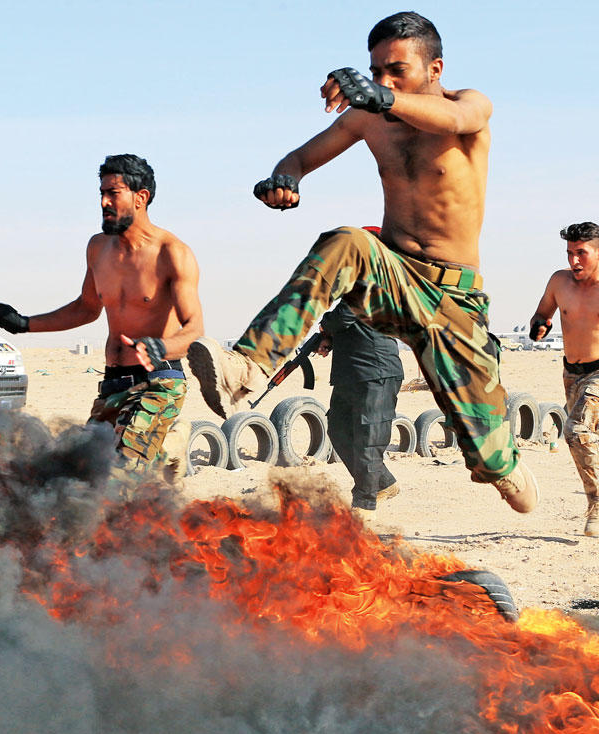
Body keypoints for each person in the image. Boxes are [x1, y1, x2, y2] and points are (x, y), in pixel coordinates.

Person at [185, 11, 537, 513]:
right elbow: (300, 157)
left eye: (398, 70)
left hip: (454, 298)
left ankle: (500, 461)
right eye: (376, 72)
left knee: (491, 460)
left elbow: (461, 120)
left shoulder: (468, 106)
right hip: (393, 278)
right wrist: (286, 180)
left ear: (435, 69)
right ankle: (247, 367)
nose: (384, 82)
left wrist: (382, 97)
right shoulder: (370, 118)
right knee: (347, 240)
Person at [0, 154, 204, 473]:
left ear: (141, 197)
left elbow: (194, 328)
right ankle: (167, 451)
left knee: (116, 475)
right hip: (113, 382)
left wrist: (161, 347)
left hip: (159, 381)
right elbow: (86, 308)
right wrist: (23, 324)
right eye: (102, 193)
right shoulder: (98, 248)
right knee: (83, 471)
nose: (103, 202)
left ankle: (162, 446)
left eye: (113, 193)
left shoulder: (172, 254)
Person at [530, 222, 599, 536]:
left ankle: (596, 505)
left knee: (576, 431)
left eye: (581, 253)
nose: (574, 261)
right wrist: (539, 325)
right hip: (571, 373)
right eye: (570, 253)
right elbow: (543, 312)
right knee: (588, 440)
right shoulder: (560, 282)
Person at [318, 302, 403, 513]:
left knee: (368, 441)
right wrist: (330, 338)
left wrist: (326, 325)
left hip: (376, 371)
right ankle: (383, 482)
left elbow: (343, 317)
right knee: (338, 429)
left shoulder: (367, 280)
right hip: (350, 374)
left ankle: (364, 506)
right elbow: (353, 324)